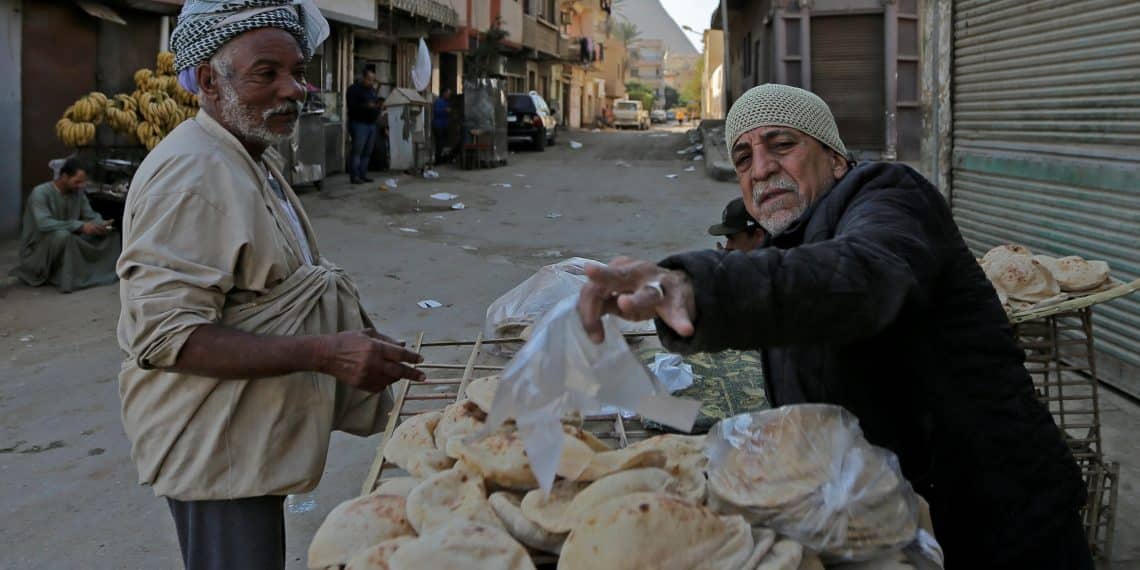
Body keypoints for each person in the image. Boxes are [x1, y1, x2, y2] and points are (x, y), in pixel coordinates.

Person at [577, 84, 1090, 569]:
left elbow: (859, 276)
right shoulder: (789, 247)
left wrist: (697, 288)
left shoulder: (892, 198)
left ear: (836, 159)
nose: (762, 169)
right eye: (743, 158)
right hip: (889, 524)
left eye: (782, 145)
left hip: (996, 520)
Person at [119, 3, 425, 569]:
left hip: (246, 438)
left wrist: (350, 339)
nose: (293, 90)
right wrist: (325, 353)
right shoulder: (193, 173)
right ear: (209, 80)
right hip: (217, 450)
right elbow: (166, 336)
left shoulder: (245, 156)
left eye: (297, 72)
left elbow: (281, 289)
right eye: (267, 74)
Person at [11, 158, 119, 293]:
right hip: (37, 251)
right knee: (63, 236)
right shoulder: (40, 193)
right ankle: (55, 273)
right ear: (64, 177)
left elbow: (90, 215)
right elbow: (44, 224)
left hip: (69, 238)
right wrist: (80, 226)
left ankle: (84, 272)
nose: (81, 186)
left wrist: (101, 224)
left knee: (112, 235)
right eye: (77, 182)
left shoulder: (78, 193)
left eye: (83, 182)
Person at [346, 67, 381, 184]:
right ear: (363, 78)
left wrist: (378, 107)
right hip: (359, 123)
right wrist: (367, 106)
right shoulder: (354, 90)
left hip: (371, 124)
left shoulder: (372, 90)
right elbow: (352, 106)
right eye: (369, 79)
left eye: (373, 80)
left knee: (367, 152)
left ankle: (363, 174)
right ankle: (355, 176)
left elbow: (375, 102)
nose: (371, 82)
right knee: (357, 151)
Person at [432, 87, 452, 164]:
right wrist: (445, 110)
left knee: (443, 143)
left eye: (449, 94)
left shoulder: (447, 102)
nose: (449, 95)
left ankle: (441, 159)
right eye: (448, 94)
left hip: (444, 125)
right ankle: (437, 160)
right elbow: (436, 112)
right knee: (439, 143)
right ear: (444, 93)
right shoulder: (438, 101)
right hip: (438, 125)